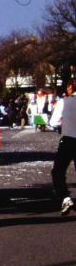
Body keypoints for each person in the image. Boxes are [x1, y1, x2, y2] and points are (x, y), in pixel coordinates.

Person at [51, 80, 76, 215]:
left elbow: (53, 122)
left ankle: (65, 197)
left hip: (68, 140)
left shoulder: (63, 102)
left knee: (58, 171)